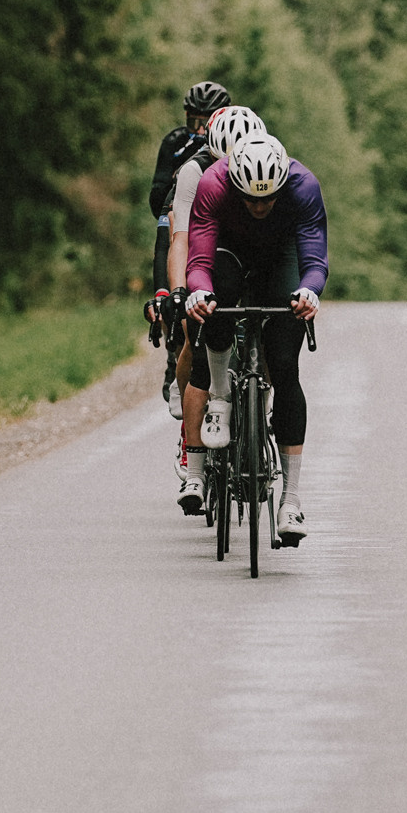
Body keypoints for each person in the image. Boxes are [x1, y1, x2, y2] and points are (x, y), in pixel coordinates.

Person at [185, 130, 325, 546]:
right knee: (217, 301)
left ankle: (291, 500)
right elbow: (198, 259)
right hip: (228, 252)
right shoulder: (213, 183)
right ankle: (223, 398)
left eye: (269, 198)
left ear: (283, 184)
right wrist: (198, 291)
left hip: (281, 256)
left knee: (285, 365)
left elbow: (315, 258)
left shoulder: (303, 187)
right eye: (251, 199)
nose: (260, 207)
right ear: (234, 185)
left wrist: (308, 291)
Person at [166, 103, 265, 514]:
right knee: (199, 331)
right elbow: (181, 239)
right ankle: (194, 458)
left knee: (263, 335)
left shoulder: (265, 167)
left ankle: (260, 415)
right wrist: (178, 292)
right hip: (207, 250)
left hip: (249, 254)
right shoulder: (194, 173)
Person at [146, 83, 229, 511]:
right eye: (192, 120)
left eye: (206, 121)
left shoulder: (238, 146)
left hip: (219, 228)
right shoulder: (178, 148)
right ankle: (174, 358)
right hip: (180, 218)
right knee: (182, 310)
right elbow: (157, 206)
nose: (198, 128)